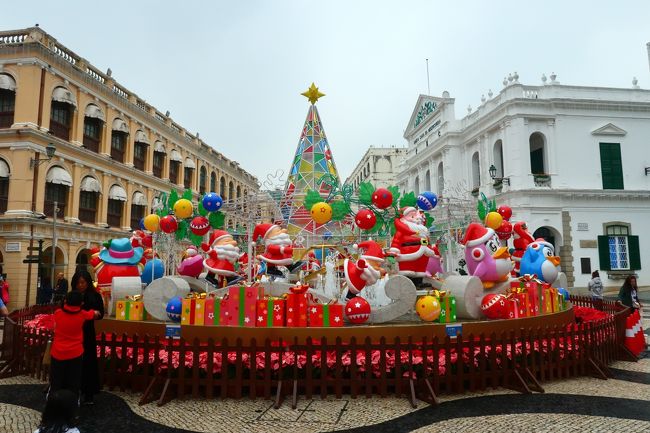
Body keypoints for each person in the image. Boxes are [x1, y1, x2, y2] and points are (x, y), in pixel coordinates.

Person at [50, 291, 100, 399]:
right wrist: (96, 311)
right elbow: (94, 314)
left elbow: (53, 327)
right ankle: (72, 408)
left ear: (65, 301)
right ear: (81, 303)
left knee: (56, 381)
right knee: (73, 382)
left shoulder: (58, 313)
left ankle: (53, 406)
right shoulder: (82, 314)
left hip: (58, 353)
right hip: (75, 354)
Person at [71, 270, 104, 405]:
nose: (80, 285)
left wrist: (92, 314)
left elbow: (100, 313)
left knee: (89, 362)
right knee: (74, 363)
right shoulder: (72, 295)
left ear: (88, 282)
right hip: (73, 332)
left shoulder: (94, 296)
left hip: (88, 332)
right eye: (78, 282)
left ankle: (89, 393)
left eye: (83, 282)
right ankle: (74, 390)